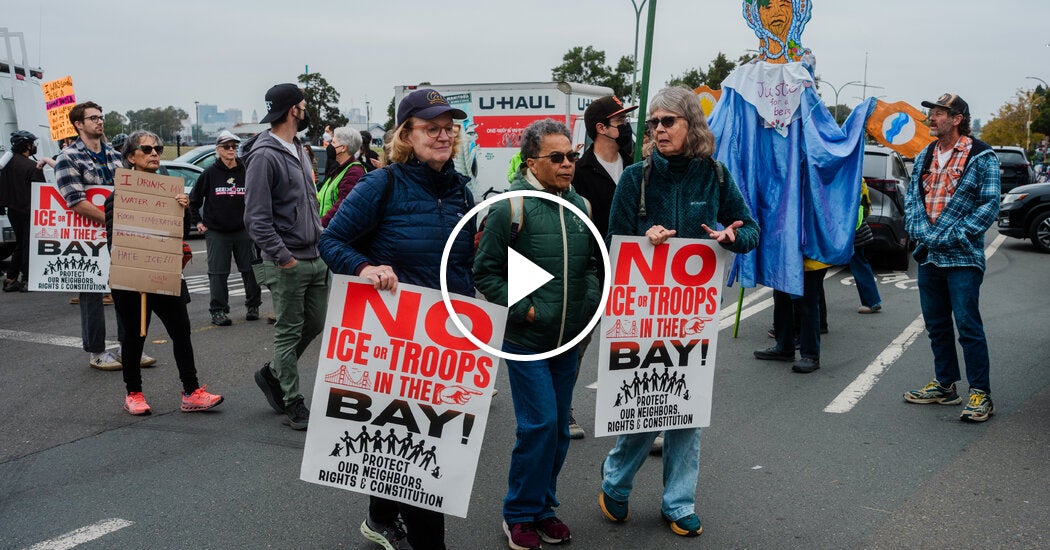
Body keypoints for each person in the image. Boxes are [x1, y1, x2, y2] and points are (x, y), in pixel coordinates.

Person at [599, 86, 759, 537]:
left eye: (668, 121)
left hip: (692, 315)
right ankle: (615, 482)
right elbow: (613, 242)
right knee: (641, 403)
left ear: (692, 124)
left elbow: (751, 231)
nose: (658, 129)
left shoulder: (717, 176)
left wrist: (731, 237)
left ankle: (678, 502)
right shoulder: (636, 177)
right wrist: (642, 239)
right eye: (653, 123)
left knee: (687, 407)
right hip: (641, 311)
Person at [319, 88, 473, 550]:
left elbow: (463, 264)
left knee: (403, 444)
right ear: (406, 135)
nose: (443, 136)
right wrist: (365, 268)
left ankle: (380, 516)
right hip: (395, 338)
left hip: (446, 340)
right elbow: (331, 242)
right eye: (431, 128)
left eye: (449, 128)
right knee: (423, 454)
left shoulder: (462, 192)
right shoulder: (380, 185)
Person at [475, 118, 601, 549]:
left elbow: (590, 265)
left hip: (569, 339)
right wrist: (525, 310)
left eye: (572, 155)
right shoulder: (509, 208)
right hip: (526, 341)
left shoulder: (581, 206)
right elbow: (486, 273)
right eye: (558, 157)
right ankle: (518, 513)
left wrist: (587, 303)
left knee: (560, 430)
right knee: (540, 424)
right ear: (532, 162)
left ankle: (544, 508)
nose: (568, 164)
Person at [107, 130, 223, 415]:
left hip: (166, 275)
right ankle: (133, 393)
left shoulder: (171, 193)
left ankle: (191, 392)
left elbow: (177, 235)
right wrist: (138, 263)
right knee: (134, 337)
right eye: (146, 149)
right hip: (132, 279)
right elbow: (114, 242)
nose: (154, 154)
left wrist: (182, 210)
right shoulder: (119, 196)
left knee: (181, 332)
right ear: (130, 156)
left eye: (157, 149)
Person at [902, 93, 1000, 422]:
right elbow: (913, 199)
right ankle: (945, 385)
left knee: (968, 326)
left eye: (939, 113)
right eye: (931, 112)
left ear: (957, 120)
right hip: (929, 255)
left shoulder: (981, 155)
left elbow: (989, 205)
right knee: (937, 325)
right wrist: (920, 231)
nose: (932, 118)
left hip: (963, 257)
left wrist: (950, 236)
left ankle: (981, 394)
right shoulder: (926, 153)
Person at [243, 83, 330, 430]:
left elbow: (308, 204)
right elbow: (256, 218)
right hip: (287, 261)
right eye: (303, 106)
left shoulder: (299, 148)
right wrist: (283, 257)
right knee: (288, 332)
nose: (306, 111)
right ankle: (293, 400)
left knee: (316, 323)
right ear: (293, 109)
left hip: (315, 255)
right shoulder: (264, 155)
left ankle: (273, 373)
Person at [54, 101, 155, 370]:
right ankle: (97, 351)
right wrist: (115, 219)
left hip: (118, 234)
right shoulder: (68, 157)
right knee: (91, 294)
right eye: (93, 118)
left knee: (126, 289)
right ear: (78, 124)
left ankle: (127, 347)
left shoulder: (114, 155)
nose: (99, 121)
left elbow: (129, 189)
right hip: (87, 237)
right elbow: (76, 201)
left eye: (101, 117)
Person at [569, 95, 639, 439]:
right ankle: (563, 409)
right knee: (577, 343)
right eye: (620, 121)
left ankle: (639, 414)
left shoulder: (638, 167)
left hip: (635, 269)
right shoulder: (578, 173)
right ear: (601, 128)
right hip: (594, 270)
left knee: (635, 344)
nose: (626, 127)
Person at [188, 130, 261, 326]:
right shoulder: (209, 173)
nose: (231, 150)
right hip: (217, 231)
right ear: (218, 150)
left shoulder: (246, 170)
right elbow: (193, 200)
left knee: (251, 269)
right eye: (226, 147)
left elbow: (258, 196)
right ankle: (218, 310)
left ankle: (253, 305)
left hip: (244, 229)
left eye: (234, 146)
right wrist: (198, 222)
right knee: (218, 273)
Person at [1, 131, 45, 292]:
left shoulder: (7, 165)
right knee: (28, 245)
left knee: (20, 244)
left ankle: (11, 278)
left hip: (12, 211)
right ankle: (27, 279)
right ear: (27, 146)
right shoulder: (33, 166)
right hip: (29, 211)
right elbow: (41, 192)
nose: (34, 146)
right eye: (33, 144)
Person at [317, 126, 365, 228]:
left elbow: (342, 206)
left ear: (343, 148)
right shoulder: (338, 169)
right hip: (326, 229)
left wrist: (320, 225)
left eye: (333, 142)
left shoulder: (354, 172)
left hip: (333, 230)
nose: (329, 145)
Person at [852, 179, 882, 314]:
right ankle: (872, 301)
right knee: (860, 263)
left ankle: (871, 302)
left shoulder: (848, 180)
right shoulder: (859, 179)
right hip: (860, 227)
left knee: (859, 264)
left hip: (854, 230)